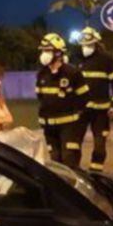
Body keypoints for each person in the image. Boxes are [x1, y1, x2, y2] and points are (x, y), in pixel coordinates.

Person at [35, 33, 89, 167]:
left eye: (47, 50)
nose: (44, 54)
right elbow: (41, 98)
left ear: (58, 53)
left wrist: (77, 116)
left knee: (69, 158)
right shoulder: (41, 74)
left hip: (69, 126)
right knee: (55, 161)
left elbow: (84, 97)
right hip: (49, 126)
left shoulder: (72, 73)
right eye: (43, 50)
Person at [75, 27, 113, 171]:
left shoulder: (106, 59)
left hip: (101, 111)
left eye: (89, 45)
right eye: (84, 45)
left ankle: (96, 174)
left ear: (96, 43)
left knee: (99, 145)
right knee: (73, 144)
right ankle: (73, 173)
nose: (86, 48)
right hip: (80, 110)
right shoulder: (76, 58)